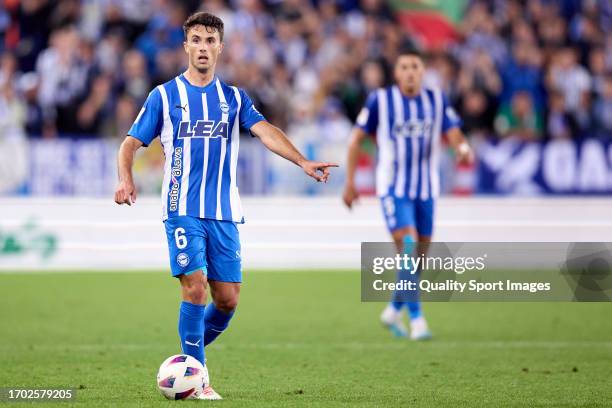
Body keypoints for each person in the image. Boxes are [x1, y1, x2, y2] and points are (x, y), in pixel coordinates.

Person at [114, 12, 337, 400]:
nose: (203, 47)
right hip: (181, 207)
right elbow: (130, 143)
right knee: (195, 286)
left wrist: (302, 160)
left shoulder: (233, 98)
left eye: (210, 40)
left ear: (221, 47)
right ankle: (198, 380)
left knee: (228, 300)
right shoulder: (164, 96)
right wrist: (126, 178)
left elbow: (265, 130)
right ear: (186, 46)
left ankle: (188, 355)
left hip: (224, 212)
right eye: (196, 40)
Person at [342, 48, 473, 341]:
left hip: (426, 188)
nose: (410, 71)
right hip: (393, 187)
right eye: (404, 66)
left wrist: (462, 149)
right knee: (410, 246)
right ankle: (417, 320)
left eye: (415, 66)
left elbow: (454, 134)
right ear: (397, 73)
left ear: (423, 71)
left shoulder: (437, 99)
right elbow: (356, 141)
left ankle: (393, 308)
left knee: (418, 258)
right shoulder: (381, 100)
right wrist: (350, 182)